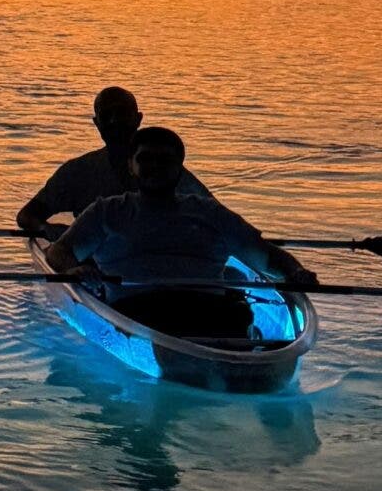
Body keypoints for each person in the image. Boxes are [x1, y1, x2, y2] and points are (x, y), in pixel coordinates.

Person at [44, 126, 317, 338]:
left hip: (208, 310)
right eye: (145, 159)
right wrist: (72, 271)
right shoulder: (107, 211)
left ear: (179, 167)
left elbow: (267, 257)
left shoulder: (210, 212)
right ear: (131, 165)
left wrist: (295, 273)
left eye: (164, 161)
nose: (154, 167)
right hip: (137, 310)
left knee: (235, 314)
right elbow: (60, 251)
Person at [15, 85, 210, 233]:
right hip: (95, 268)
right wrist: (46, 229)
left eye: (122, 114)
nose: (115, 121)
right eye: (107, 115)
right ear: (97, 123)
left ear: (138, 119)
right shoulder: (78, 172)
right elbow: (27, 215)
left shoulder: (167, 172)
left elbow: (214, 215)